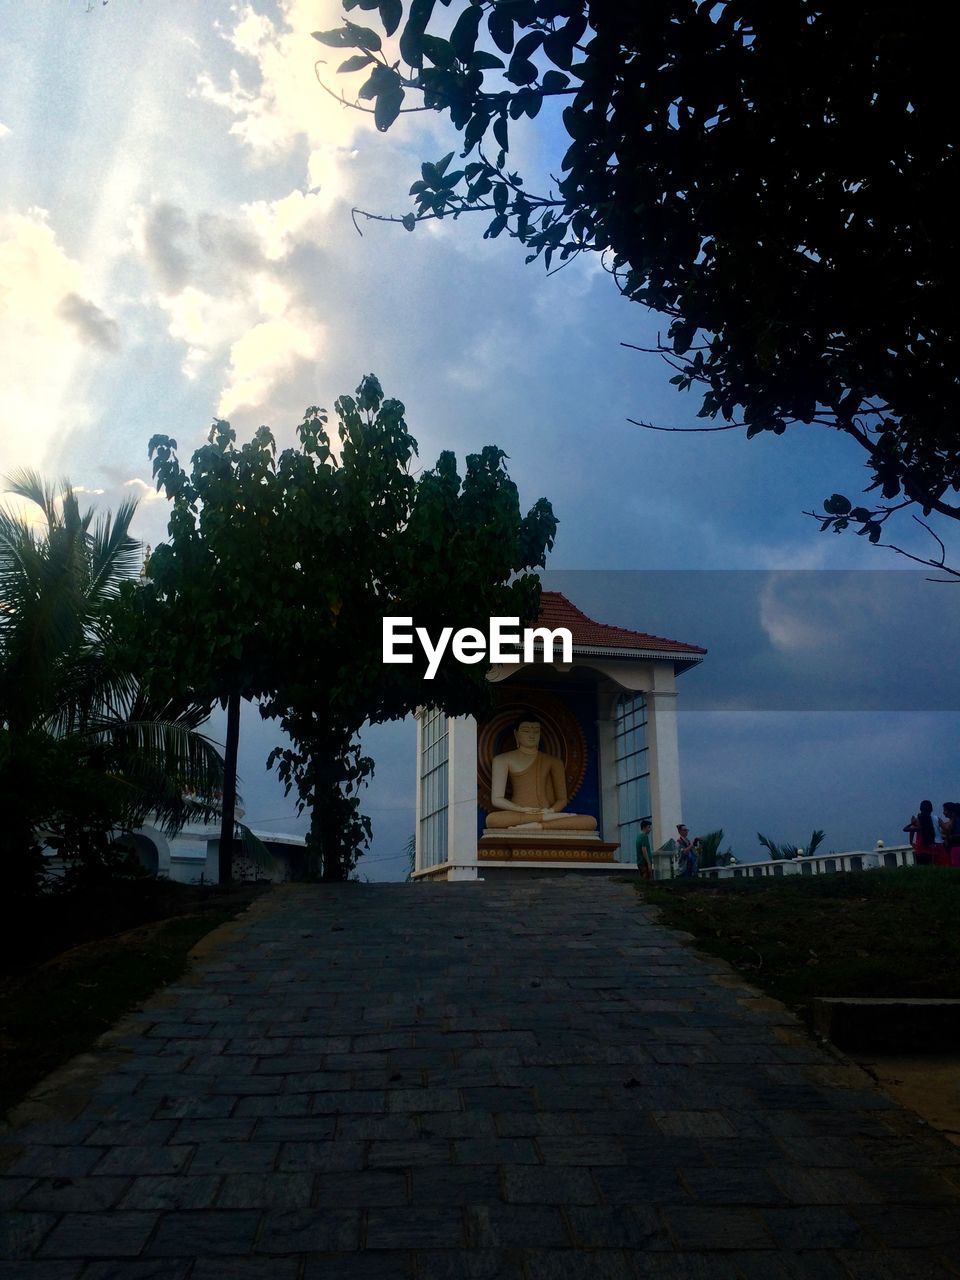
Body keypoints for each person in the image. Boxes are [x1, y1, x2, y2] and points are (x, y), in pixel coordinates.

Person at [485, 716, 597, 832]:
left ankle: (540, 825)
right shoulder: (502, 760)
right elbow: (497, 799)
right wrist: (521, 809)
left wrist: (550, 811)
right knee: (492, 819)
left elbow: (562, 800)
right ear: (516, 734)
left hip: (547, 812)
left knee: (590, 821)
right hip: (519, 814)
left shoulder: (553, 762)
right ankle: (545, 820)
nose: (532, 735)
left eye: (536, 731)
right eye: (526, 731)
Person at [904, 800, 937, 865]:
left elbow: (906, 829)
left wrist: (911, 823)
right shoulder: (932, 820)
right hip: (931, 849)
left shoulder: (918, 823)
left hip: (920, 850)